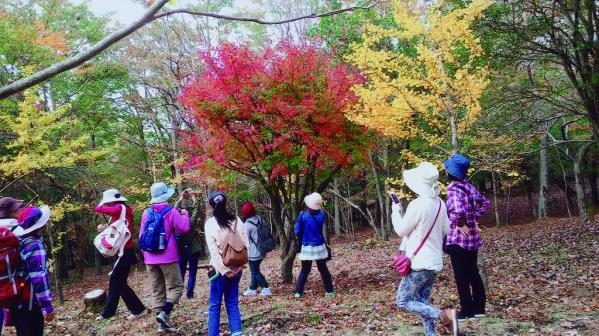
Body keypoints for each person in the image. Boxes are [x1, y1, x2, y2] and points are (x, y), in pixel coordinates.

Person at [391, 162, 459, 336]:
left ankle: (444, 314)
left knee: (402, 300)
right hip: (434, 261)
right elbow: (447, 230)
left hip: (419, 262)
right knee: (423, 301)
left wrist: (395, 212)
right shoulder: (440, 204)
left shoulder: (417, 204)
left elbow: (400, 230)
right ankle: (431, 333)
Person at [443, 154, 490, 320]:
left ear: (450, 173)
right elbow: (485, 202)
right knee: (473, 274)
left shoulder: (453, 190)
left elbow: (457, 210)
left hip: (458, 240)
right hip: (473, 239)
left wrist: (459, 223)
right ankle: (479, 309)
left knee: (461, 276)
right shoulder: (468, 187)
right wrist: (474, 217)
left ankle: (466, 311)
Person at [140, 182, 190, 333]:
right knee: (177, 287)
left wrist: (145, 256)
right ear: (165, 196)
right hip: (167, 257)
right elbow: (184, 229)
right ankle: (165, 313)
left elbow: (141, 236)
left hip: (149, 258)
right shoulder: (172, 211)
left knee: (157, 290)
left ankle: (161, 325)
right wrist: (185, 216)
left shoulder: (146, 213)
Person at [94, 189, 146, 320]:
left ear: (112, 200)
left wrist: (97, 207)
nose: (106, 205)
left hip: (124, 252)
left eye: (107, 202)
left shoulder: (121, 207)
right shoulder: (121, 211)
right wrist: (105, 227)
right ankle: (116, 310)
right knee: (118, 283)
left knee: (117, 282)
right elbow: (117, 227)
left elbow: (110, 211)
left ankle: (133, 309)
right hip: (121, 251)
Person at [204, 192, 248, 336]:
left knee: (215, 305)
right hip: (237, 268)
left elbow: (213, 251)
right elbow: (245, 244)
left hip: (219, 270)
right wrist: (240, 266)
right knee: (232, 302)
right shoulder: (236, 220)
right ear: (226, 203)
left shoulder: (210, 223)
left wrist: (224, 270)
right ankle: (236, 332)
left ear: (211, 206)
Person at [11, 205, 54, 336]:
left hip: (16, 299)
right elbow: (39, 277)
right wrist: (47, 306)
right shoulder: (34, 245)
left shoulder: (18, 240)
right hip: (29, 302)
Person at [293, 192, 334, 298]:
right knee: (323, 269)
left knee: (305, 270)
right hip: (319, 246)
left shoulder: (302, 215)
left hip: (307, 246)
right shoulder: (322, 215)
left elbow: (297, 231)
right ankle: (329, 291)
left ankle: (298, 292)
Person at [0, 197, 24, 334]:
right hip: (15, 288)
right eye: (19, 208)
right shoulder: (18, 229)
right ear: (12, 211)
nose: (21, 210)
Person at [174, 189, 203, 299]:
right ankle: (190, 294)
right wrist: (193, 197)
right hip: (193, 248)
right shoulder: (190, 222)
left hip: (180, 249)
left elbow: (174, 210)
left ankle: (178, 294)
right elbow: (196, 210)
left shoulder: (176, 222)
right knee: (192, 271)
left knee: (181, 272)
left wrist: (181, 198)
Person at [240, 201, 272, 297]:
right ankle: (252, 288)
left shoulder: (247, 225)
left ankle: (266, 288)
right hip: (262, 249)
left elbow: (245, 240)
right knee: (255, 269)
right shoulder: (259, 218)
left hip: (253, 253)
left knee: (255, 271)